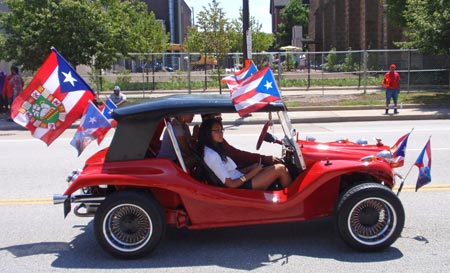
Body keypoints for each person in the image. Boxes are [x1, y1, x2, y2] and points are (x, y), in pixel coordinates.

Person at [197, 118, 292, 190]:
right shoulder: (212, 155)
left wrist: (249, 169)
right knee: (281, 169)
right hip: (240, 186)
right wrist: (252, 173)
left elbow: (231, 172)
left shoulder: (214, 149)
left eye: (221, 130)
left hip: (241, 178)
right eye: (216, 130)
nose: (221, 133)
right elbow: (231, 184)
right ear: (207, 133)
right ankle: (291, 206)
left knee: (273, 166)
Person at [193, 113, 283, 167]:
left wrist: (260, 160)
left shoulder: (214, 140)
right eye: (218, 117)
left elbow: (234, 153)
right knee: (279, 169)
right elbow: (236, 155)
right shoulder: (211, 143)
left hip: (234, 170)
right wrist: (262, 158)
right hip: (233, 177)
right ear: (208, 120)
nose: (221, 120)